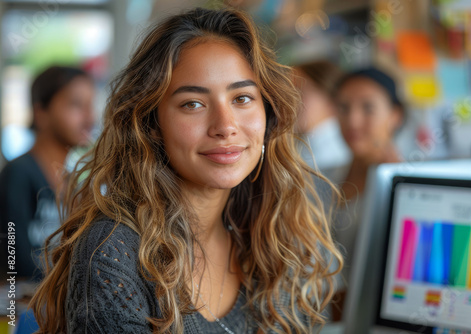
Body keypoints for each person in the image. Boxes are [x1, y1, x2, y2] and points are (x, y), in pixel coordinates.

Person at [29, 8, 343, 334]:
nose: (225, 126)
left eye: (242, 98)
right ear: (151, 124)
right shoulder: (112, 252)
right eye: (193, 103)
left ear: (268, 114)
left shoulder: (274, 238)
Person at [322, 67, 404, 319]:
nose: (353, 121)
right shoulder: (320, 177)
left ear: (394, 115)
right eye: (344, 108)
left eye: (368, 108)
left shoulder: (406, 191)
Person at [0, 66, 95, 282]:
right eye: (76, 105)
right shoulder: (18, 174)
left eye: (90, 105)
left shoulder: (74, 180)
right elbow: (15, 260)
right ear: (41, 112)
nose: (90, 117)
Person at [294, 60, 351, 170]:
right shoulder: (304, 145)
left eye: (299, 91)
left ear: (332, 102)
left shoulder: (335, 159)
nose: (287, 101)